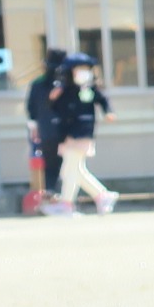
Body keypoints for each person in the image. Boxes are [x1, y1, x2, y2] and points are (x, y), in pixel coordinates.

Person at [49, 52, 117, 214]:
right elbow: (55, 107)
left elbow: (103, 100)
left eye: (85, 68)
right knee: (73, 170)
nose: (82, 71)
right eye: (78, 68)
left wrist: (108, 112)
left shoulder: (90, 88)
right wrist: (54, 97)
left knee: (71, 169)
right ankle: (102, 195)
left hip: (82, 132)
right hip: (66, 133)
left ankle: (66, 204)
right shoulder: (64, 88)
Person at [24, 46, 67, 213]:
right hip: (65, 132)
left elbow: (31, 108)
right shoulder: (64, 85)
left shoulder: (37, 84)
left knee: (49, 167)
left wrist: (34, 126)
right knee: (64, 166)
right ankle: (60, 200)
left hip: (45, 130)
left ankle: (51, 197)